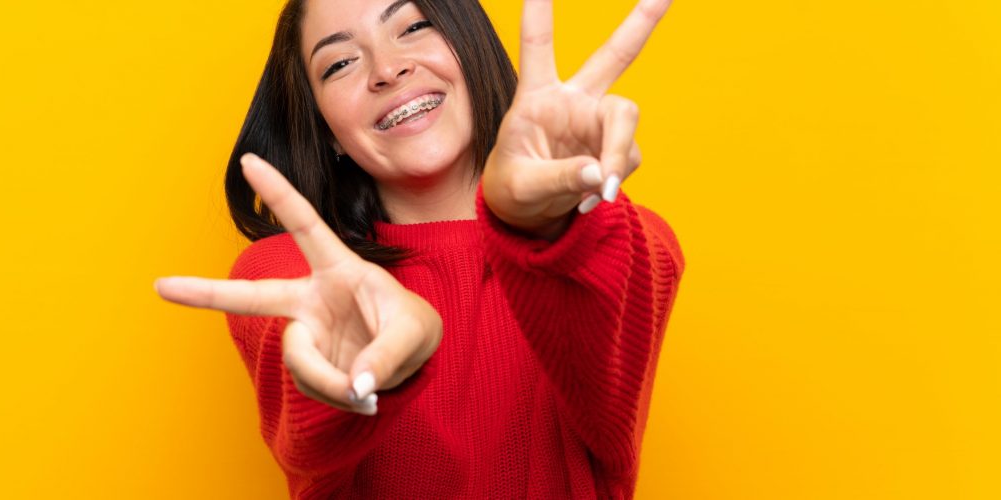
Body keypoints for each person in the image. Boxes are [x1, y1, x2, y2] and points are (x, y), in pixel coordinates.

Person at [155, 0, 685, 497]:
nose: (387, 69)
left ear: (470, 46)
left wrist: (546, 227)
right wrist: (361, 357)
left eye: (411, 27)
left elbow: (608, 328)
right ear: (328, 132)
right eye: (339, 64)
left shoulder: (625, 243)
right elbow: (308, 428)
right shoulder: (287, 278)